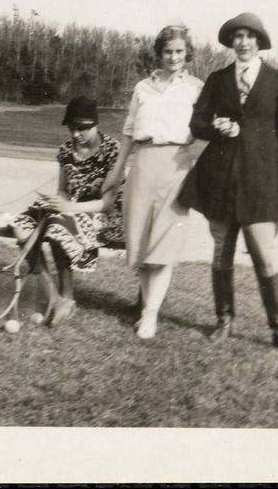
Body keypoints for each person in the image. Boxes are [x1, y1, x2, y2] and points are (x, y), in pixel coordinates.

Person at [178, 13, 278, 357]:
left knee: (265, 254)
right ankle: (224, 321)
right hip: (220, 176)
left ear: (259, 42)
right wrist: (215, 126)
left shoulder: (277, 80)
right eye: (238, 36)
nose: (244, 42)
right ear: (232, 42)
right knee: (222, 249)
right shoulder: (218, 79)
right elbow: (196, 122)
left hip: (261, 179)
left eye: (250, 36)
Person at [102, 25, 203, 340]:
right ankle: (147, 306)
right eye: (168, 51)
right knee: (142, 244)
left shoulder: (197, 88)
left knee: (163, 244)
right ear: (159, 54)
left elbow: (205, 128)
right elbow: (130, 130)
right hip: (143, 166)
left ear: (188, 55)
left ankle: (150, 315)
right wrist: (118, 170)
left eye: (179, 52)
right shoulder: (142, 88)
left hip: (176, 166)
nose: (174, 57)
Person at [0, 96, 124, 326]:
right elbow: (63, 189)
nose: (75, 135)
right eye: (71, 128)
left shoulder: (113, 150)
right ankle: (54, 297)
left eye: (81, 129)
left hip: (100, 212)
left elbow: (108, 203)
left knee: (56, 227)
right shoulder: (65, 150)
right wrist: (56, 202)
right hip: (70, 206)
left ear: (95, 124)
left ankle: (67, 296)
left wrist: (67, 207)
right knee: (21, 226)